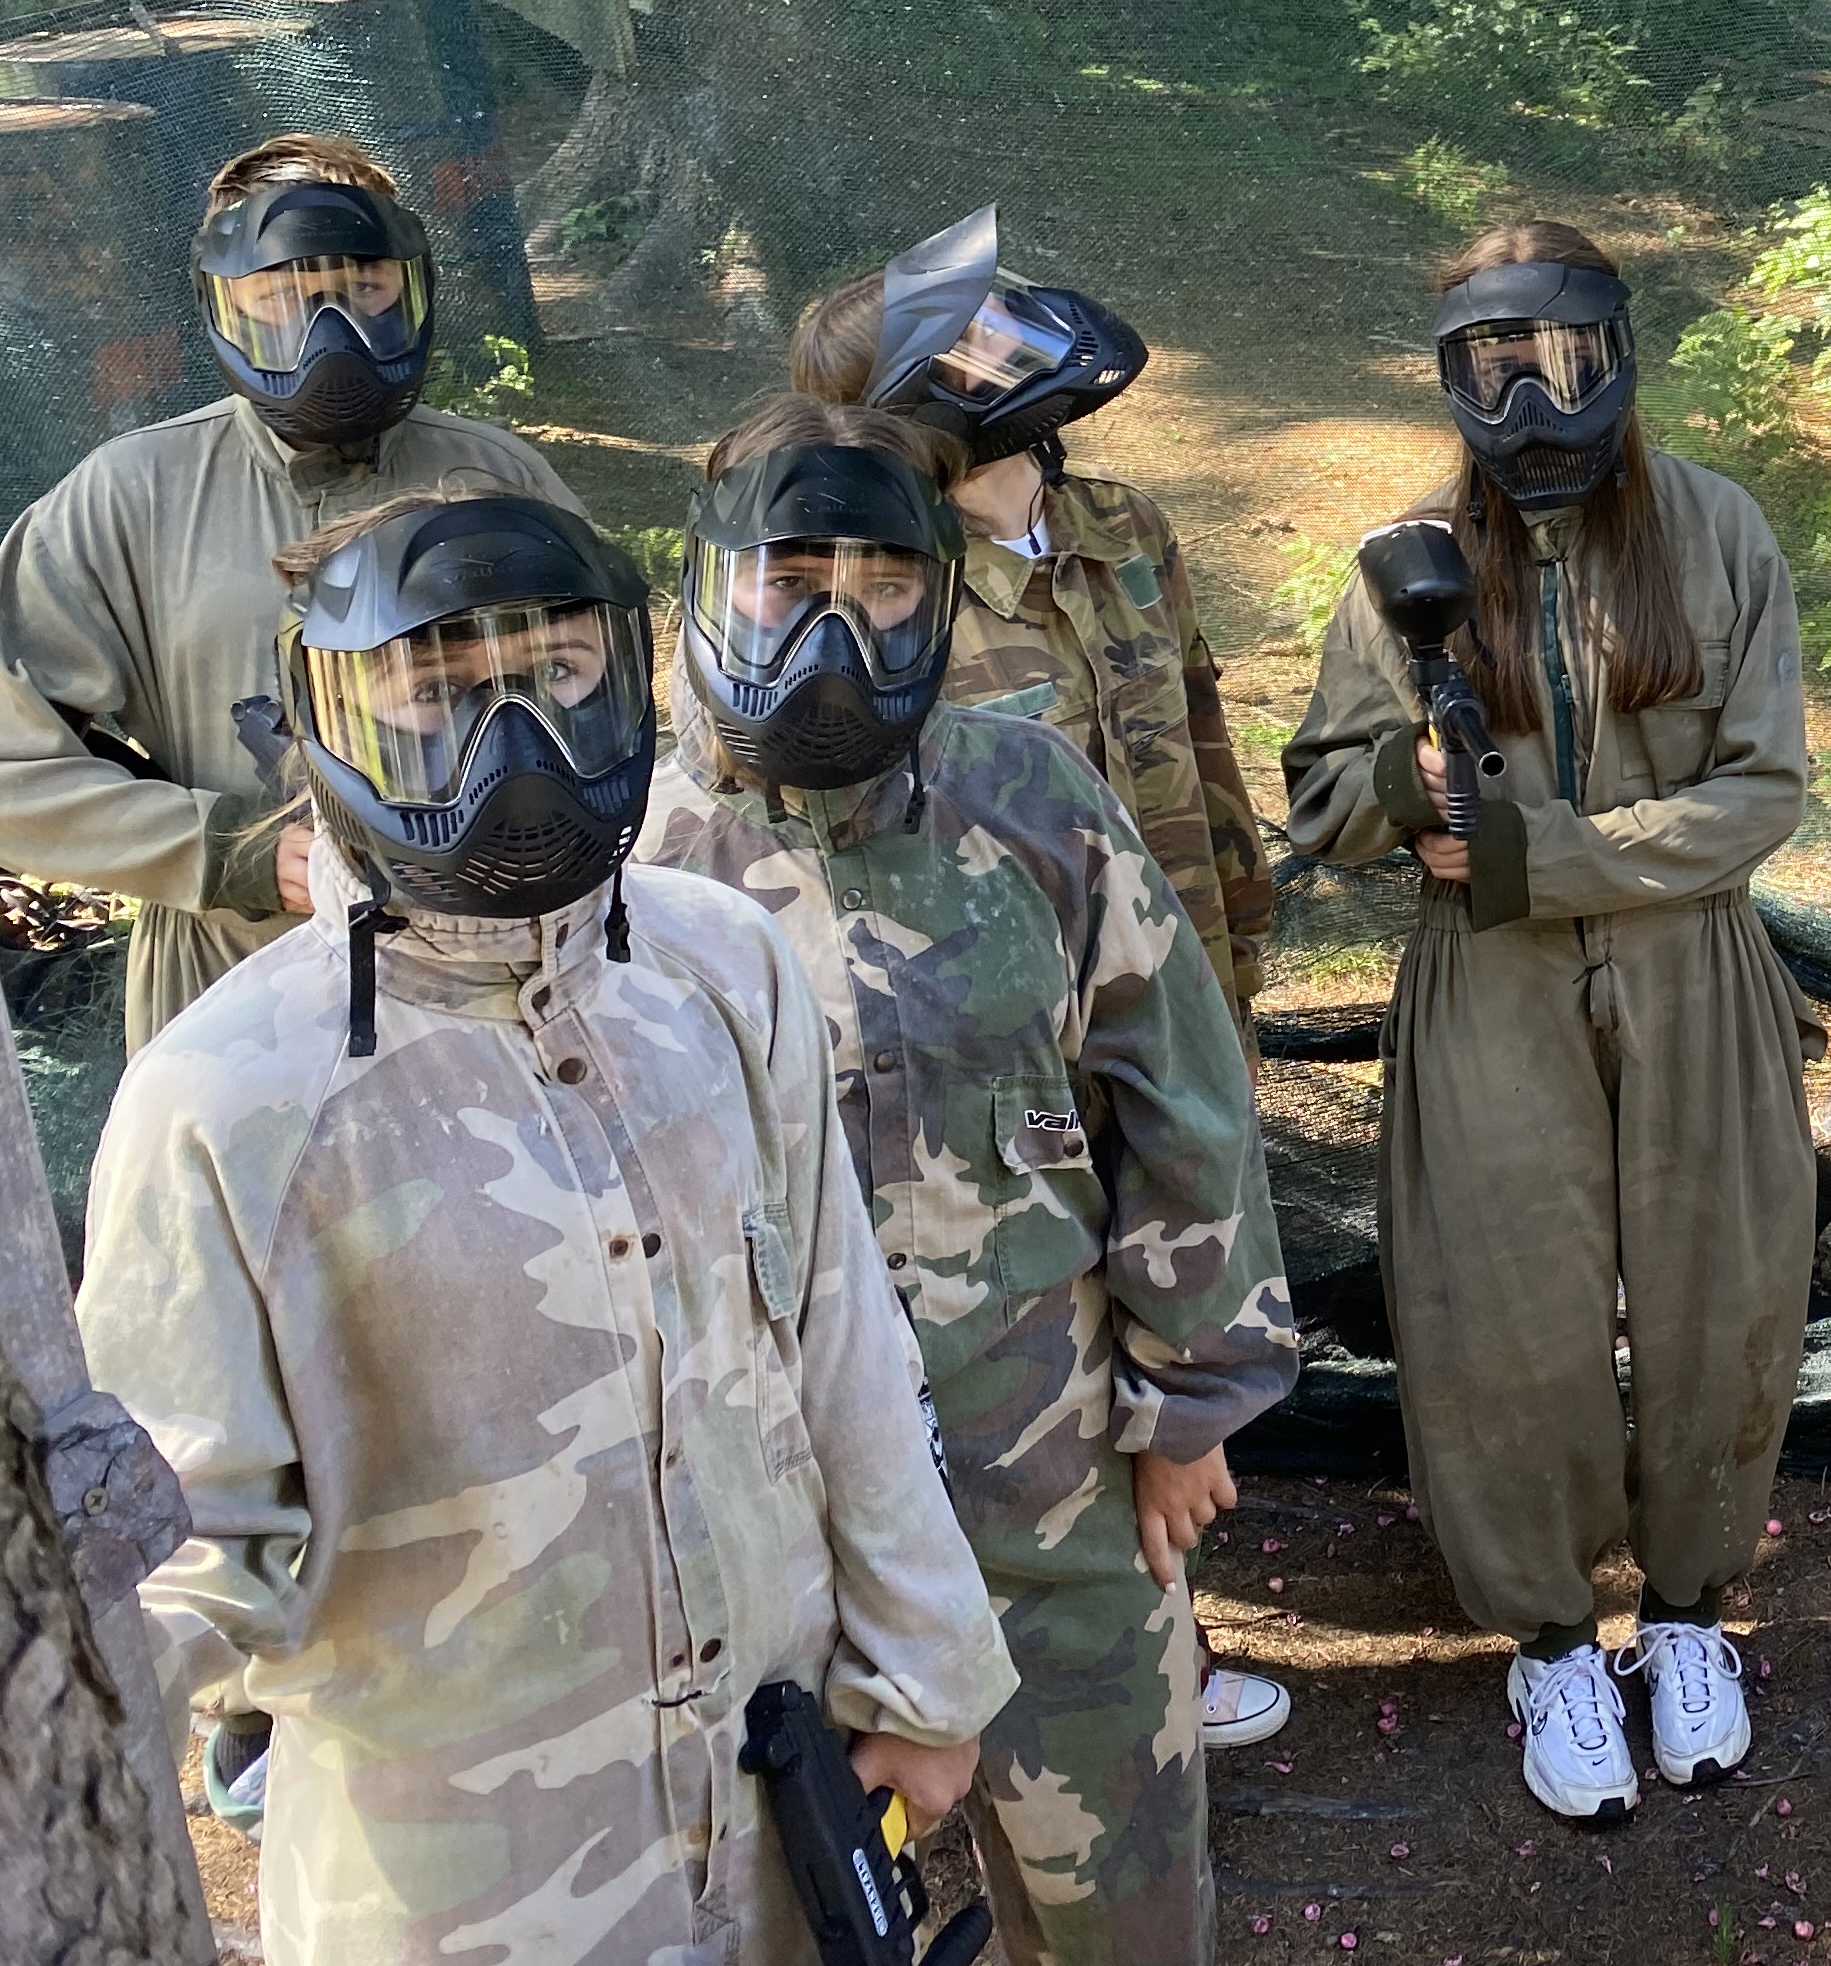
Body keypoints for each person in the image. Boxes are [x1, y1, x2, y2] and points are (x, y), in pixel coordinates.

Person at [75, 487, 1017, 1964]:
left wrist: (930, 1678)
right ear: (323, 718)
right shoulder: (226, 1101)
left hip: (780, 1808)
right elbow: (175, 1541)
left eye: (561, 671)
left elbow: (844, 1341)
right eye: (434, 689)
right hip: (464, 1887)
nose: (511, 741)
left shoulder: (724, 968)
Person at [637, 399, 1294, 1965]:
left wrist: (1188, 1405)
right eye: (793, 580)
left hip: (1050, 1472)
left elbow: (1179, 1091)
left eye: (884, 585)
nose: (839, 627)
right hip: (764, 1514)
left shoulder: (1029, 795)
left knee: (1122, 1908)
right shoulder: (631, 859)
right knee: (787, 1915)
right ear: (710, 582)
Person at [1280, 220, 1816, 1825]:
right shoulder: (1406, 562)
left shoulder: (1717, 530)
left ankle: (1694, 1615)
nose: (1532, 405)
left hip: (1692, 961)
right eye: (1494, 370)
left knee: (1724, 1291)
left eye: (1564, 362)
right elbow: (1320, 803)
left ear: (1620, 356)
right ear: (1452, 380)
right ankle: (1555, 1645)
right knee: (1501, 1317)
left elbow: (1763, 790)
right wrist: (1406, 778)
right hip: (1486, 979)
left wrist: (1550, 852)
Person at [789, 209, 1296, 1750]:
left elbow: (1198, 739)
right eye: (976, 343)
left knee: (1177, 1298)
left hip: (1166, 997)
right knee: (1047, 1371)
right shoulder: (889, 589)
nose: (1017, 353)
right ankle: (1063, 1673)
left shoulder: (1119, 527)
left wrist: (1238, 946)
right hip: (1011, 1057)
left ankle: (1154, 1652)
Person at [0, 131, 577, 1048]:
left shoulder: (498, 475)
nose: (330, 326)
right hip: (238, 987)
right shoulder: (130, 497)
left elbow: (594, 694)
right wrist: (228, 852)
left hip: (503, 973)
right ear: (225, 303)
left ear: (411, 288)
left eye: (363, 286)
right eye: (283, 293)